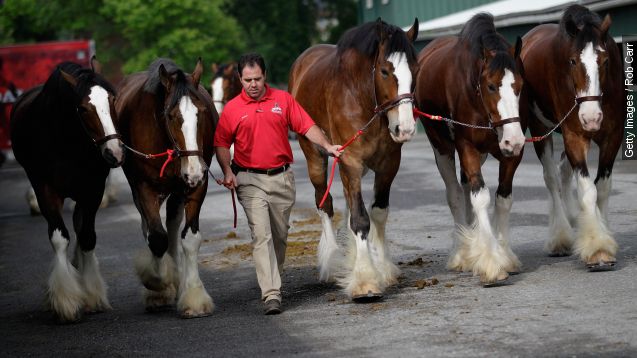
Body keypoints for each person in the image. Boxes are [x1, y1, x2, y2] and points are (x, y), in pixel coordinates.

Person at [214, 53, 341, 315]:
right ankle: (271, 293)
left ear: (265, 76)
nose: (253, 84)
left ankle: (273, 278)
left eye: (257, 79)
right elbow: (221, 144)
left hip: (282, 178)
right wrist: (227, 170)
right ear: (240, 79)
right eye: (247, 79)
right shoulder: (232, 109)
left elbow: (306, 126)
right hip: (248, 179)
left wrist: (328, 146)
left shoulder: (282, 100)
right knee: (262, 235)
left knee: (280, 236)